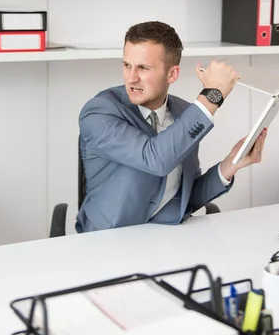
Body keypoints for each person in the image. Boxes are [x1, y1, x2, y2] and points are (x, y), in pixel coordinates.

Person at [75, 21, 267, 233]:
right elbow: (154, 158)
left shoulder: (185, 114)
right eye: (127, 65)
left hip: (167, 236)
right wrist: (212, 96)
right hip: (108, 238)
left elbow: (187, 197)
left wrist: (229, 166)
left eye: (143, 68)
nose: (131, 78)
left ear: (172, 74)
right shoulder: (99, 112)